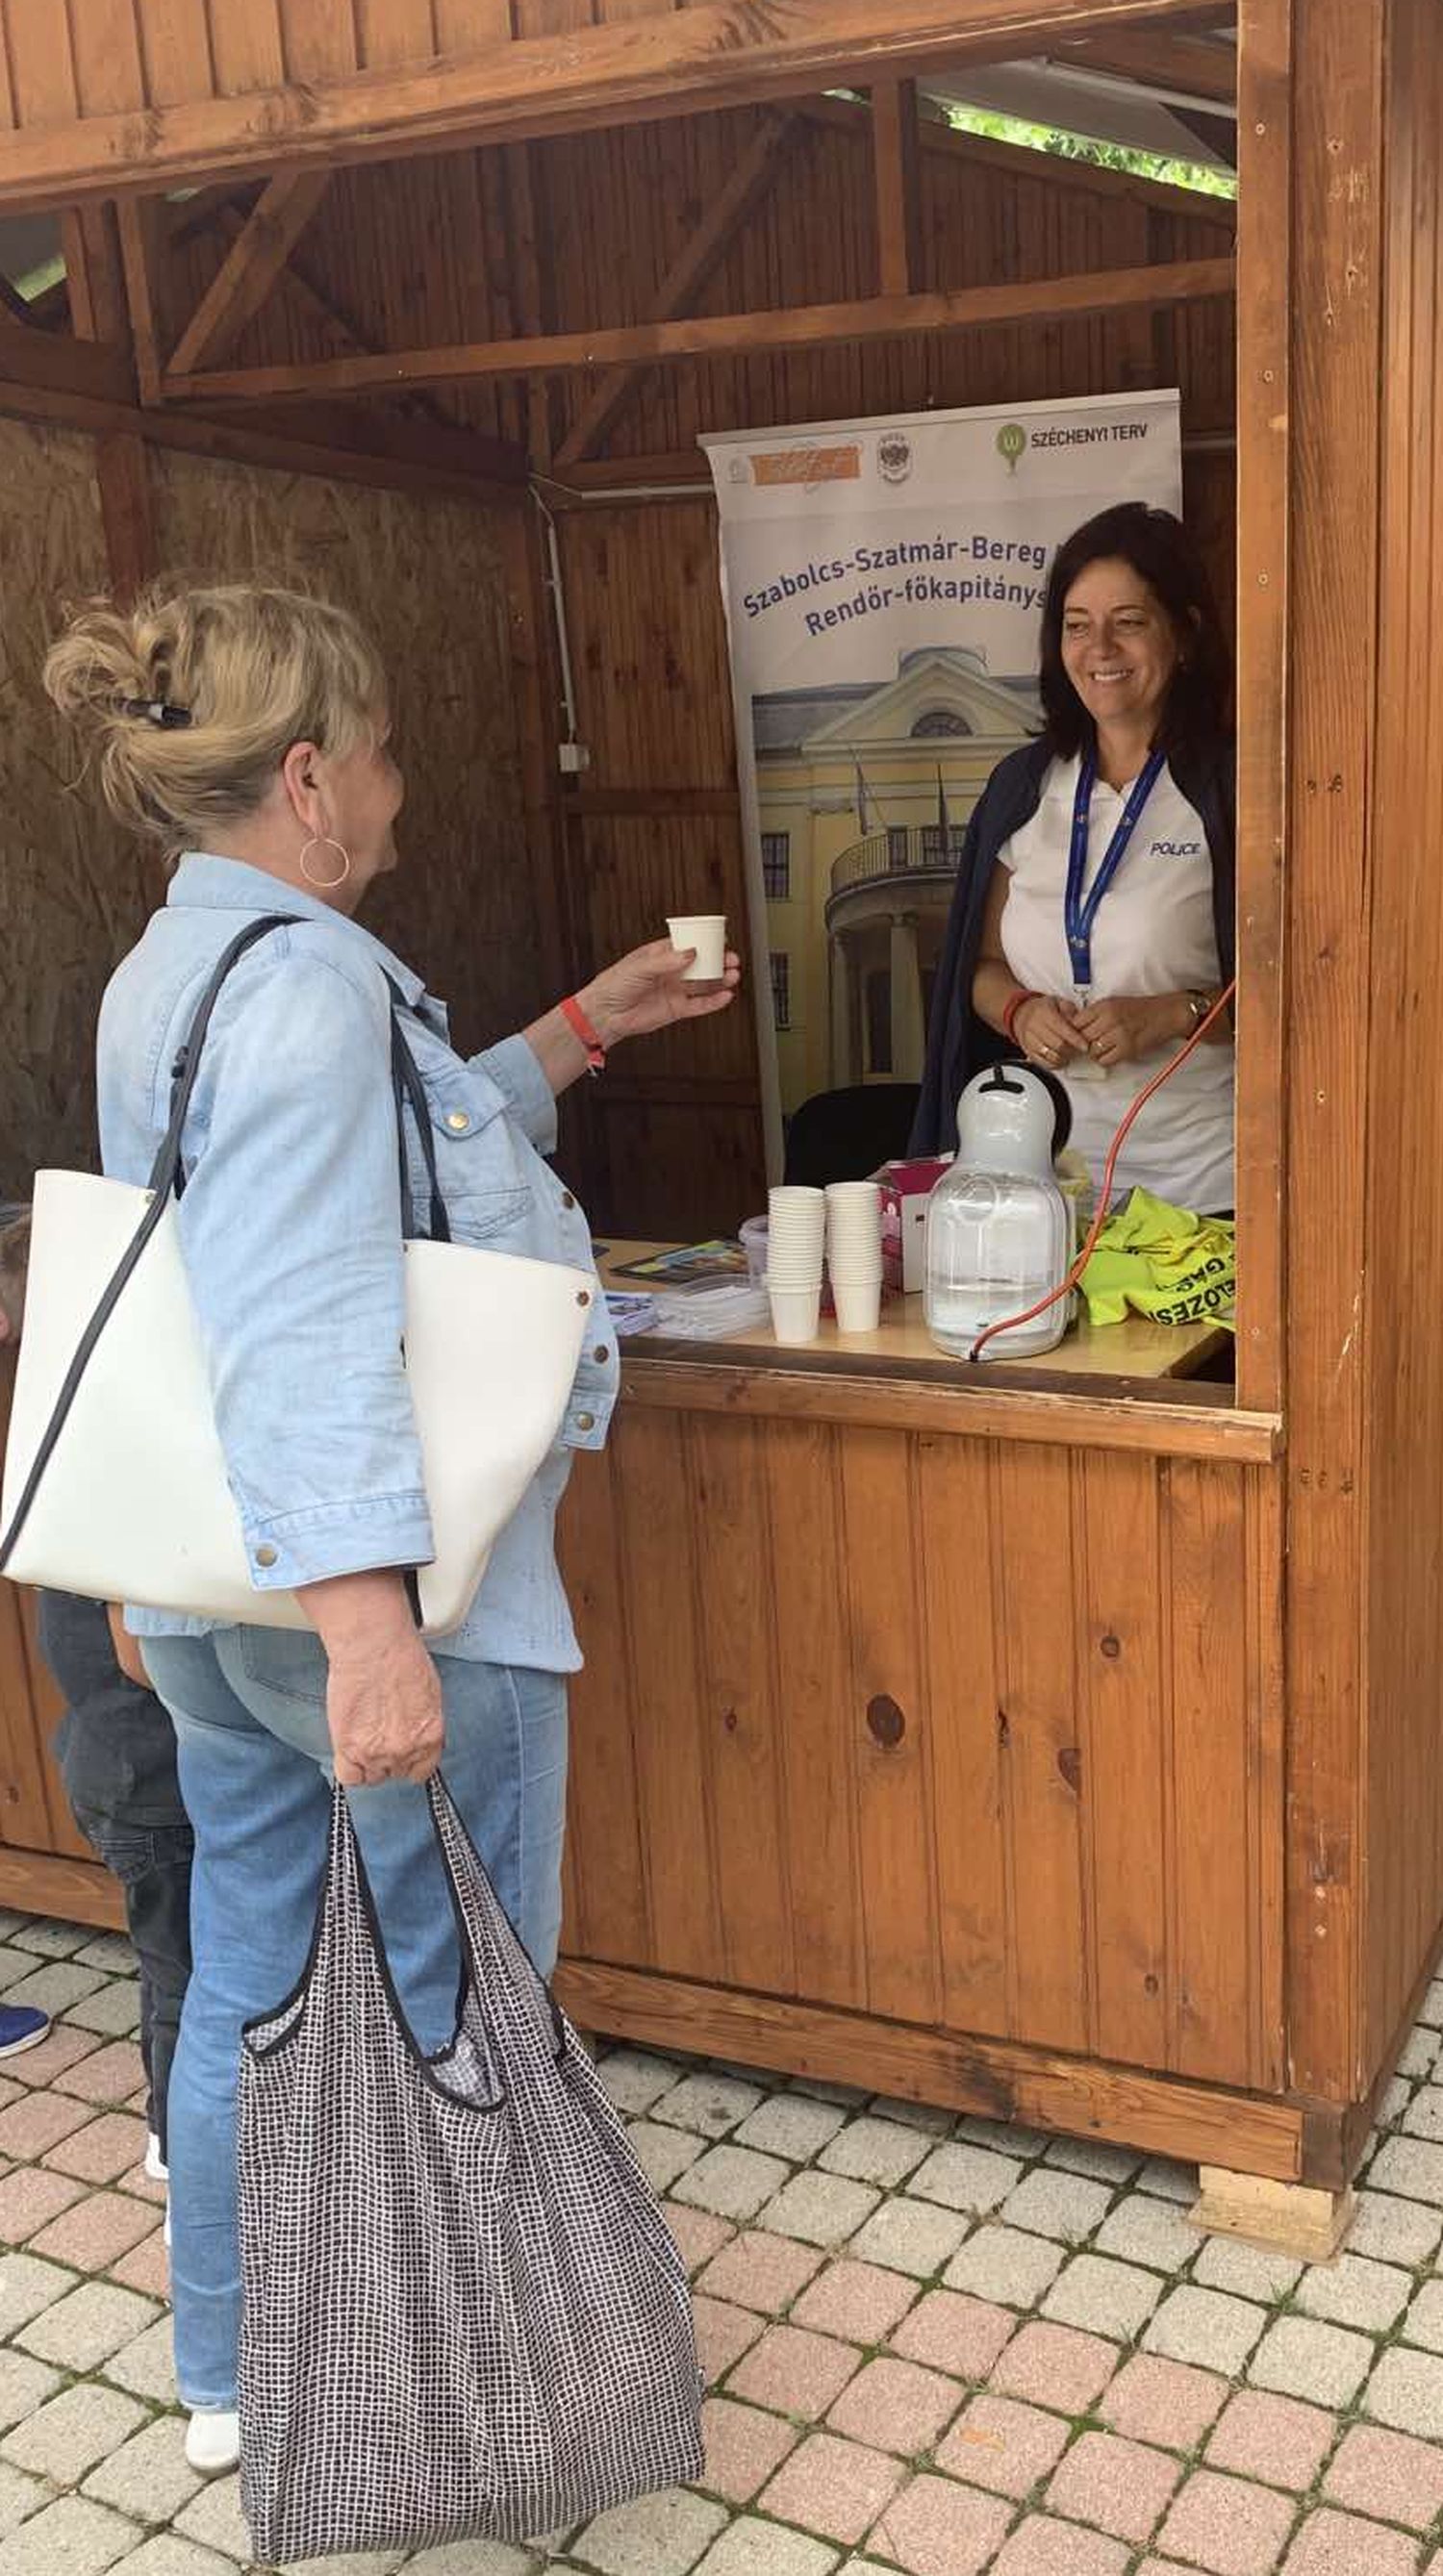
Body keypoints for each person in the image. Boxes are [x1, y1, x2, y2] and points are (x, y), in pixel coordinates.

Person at [42, 581, 741, 2479]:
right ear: (309, 781)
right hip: (385, 1595)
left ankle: (231, 2374)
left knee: (254, 1974)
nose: (401, 785)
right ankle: (454, 2395)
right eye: (382, 754)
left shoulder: (171, 975)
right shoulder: (313, 990)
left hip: (209, 1587)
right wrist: (371, 1629)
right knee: (465, 1994)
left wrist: (590, 1024)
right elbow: (305, 1313)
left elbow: (394, 1162)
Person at [910, 503, 1235, 1215]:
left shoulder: (1234, 790)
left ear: (1185, 634)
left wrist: (1175, 1013)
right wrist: (1021, 1012)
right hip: (1042, 1190)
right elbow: (981, 969)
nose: (1100, 648)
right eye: (1077, 625)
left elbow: (1306, 994)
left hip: (1207, 1193)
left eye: (1129, 621)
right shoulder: (1023, 786)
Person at [0, 1209, 192, 2161]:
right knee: (185, 1969)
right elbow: (141, 1648)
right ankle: (176, 2141)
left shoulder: (60, 1427)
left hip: (117, 1762)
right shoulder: (112, 1454)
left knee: (176, 1962)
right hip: (149, 1773)